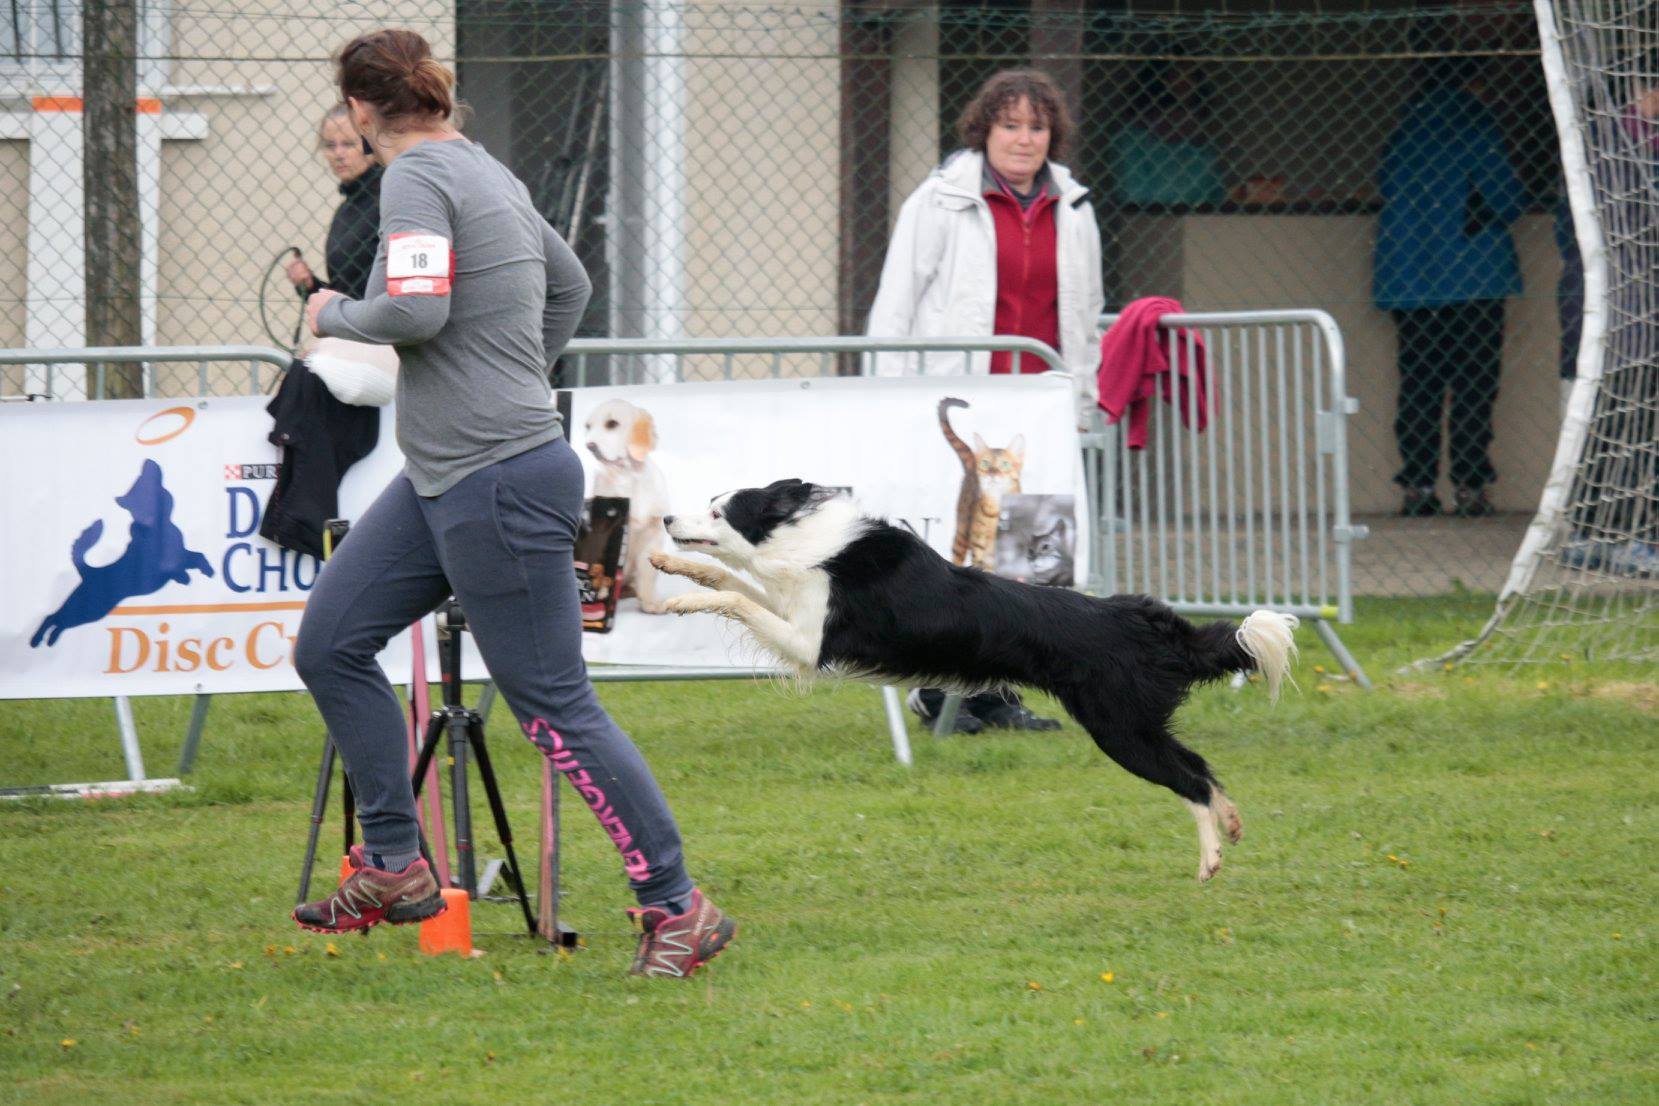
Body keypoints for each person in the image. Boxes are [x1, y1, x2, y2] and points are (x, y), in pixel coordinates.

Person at [290, 28, 735, 979]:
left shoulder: (412, 179)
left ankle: (676, 905)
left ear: (362, 113)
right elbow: (568, 284)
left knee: (551, 707)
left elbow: (412, 313)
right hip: (449, 474)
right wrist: (511, 373)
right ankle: (396, 865)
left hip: (495, 476)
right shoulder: (485, 168)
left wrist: (332, 313)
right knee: (328, 643)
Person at [867, 68, 1104, 734]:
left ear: (1050, 133)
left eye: (1035, 126)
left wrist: (1079, 397)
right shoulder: (939, 200)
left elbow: (1081, 313)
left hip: (1038, 407)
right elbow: (897, 301)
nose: (1023, 139)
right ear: (984, 129)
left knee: (1032, 563)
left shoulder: (1073, 208)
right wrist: (891, 393)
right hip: (963, 403)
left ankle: (996, 694)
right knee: (958, 561)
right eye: (1009, 125)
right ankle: (936, 690)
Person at [1372, 48, 1525, 519]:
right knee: (1474, 385)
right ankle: (1470, 485)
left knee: (1418, 383)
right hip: (1474, 277)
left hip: (1410, 280)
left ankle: (1417, 485)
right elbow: (1507, 199)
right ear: (1474, 82)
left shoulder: (1404, 133)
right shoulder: (1477, 128)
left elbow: (1384, 186)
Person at [286, 104, 383, 303]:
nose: (338, 154)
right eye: (330, 145)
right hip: (353, 326)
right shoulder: (346, 210)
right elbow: (345, 295)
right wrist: (310, 286)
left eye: (348, 144)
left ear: (369, 145)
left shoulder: (389, 197)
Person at [1109, 58, 1227, 208]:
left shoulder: (1202, 143)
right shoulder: (1132, 137)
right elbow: (1133, 194)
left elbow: (1216, 192)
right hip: (1146, 216)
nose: (1184, 84)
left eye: (1190, 77)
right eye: (1176, 76)